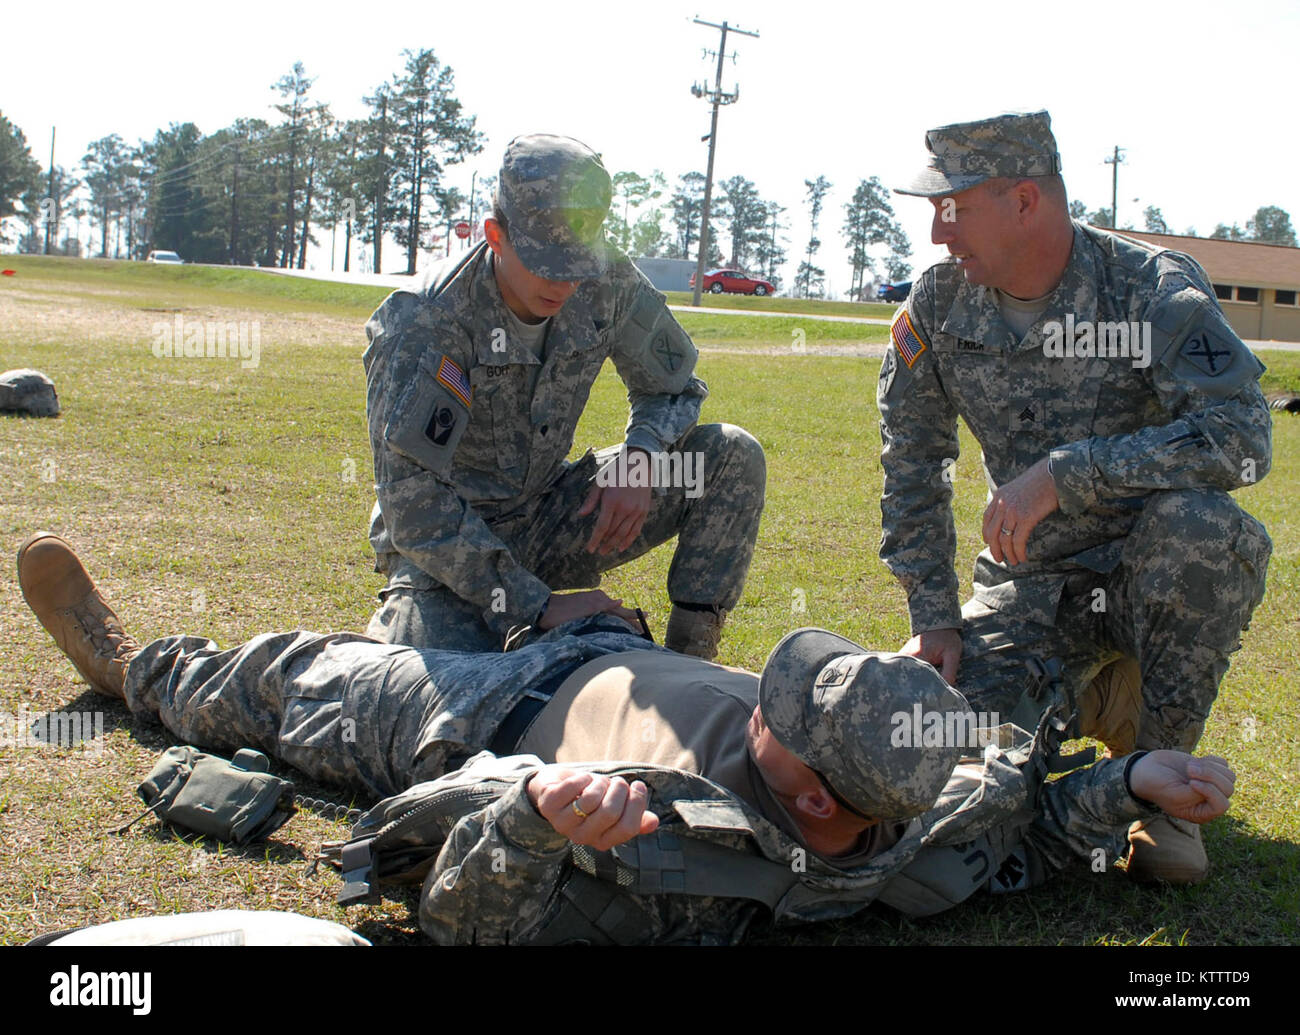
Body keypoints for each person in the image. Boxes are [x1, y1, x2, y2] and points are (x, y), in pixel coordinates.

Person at [18, 532, 1236, 945]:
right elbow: (1007, 833)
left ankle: (136, 672)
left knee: (293, 680)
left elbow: (456, 925)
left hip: (480, 722)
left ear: (815, 808)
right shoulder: (914, 806)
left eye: (786, 718)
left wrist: (528, 828)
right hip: (593, 641)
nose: (768, 696)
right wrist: (1130, 781)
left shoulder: (672, 866)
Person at [880, 110, 1271, 884]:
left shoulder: (1149, 288)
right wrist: (931, 615)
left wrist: (1069, 471)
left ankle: (1164, 789)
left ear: (1025, 201)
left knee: (1204, 531)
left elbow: (1244, 436)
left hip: (1142, 576)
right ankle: (1093, 698)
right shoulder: (938, 304)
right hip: (1031, 588)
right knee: (934, 778)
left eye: (952, 210)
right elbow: (913, 464)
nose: (937, 235)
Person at [362, 133, 765, 660]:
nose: (563, 282)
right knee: (429, 689)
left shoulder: (607, 279)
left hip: (552, 516)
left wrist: (640, 459)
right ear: (495, 235)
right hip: (452, 548)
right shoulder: (424, 322)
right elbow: (413, 507)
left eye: (576, 262)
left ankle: (690, 666)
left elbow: (675, 386)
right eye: (544, 262)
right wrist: (538, 605)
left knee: (729, 455)